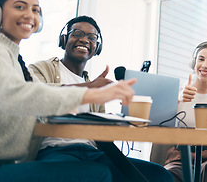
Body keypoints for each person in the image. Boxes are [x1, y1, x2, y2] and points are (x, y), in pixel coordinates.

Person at [0, 0, 138, 181]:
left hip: (3, 165)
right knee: (98, 174)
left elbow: (39, 90)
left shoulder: (13, 58)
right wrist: (90, 94)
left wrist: (95, 92)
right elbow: (16, 97)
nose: (30, 15)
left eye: (35, 10)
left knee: (154, 175)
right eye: (20, 7)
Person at [28, 15, 174, 182]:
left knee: (159, 175)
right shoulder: (41, 69)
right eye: (77, 33)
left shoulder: (93, 83)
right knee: (90, 175)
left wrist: (121, 118)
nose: (84, 40)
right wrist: (90, 88)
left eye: (92, 38)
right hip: (55, 151)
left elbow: (102, 136)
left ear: (97, 47)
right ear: (63, 39)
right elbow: (37, 94)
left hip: (93, 153)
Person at [164, 41, 207, 182]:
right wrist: (177, 100)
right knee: (172, 175)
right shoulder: (178, 94)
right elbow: (159, 119)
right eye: (201, 59)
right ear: (193, 63)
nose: (205, 65)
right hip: (180, 156)